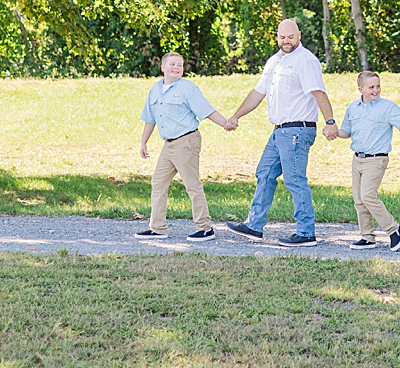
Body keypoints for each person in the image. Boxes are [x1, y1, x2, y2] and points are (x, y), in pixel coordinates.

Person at [224, 18, 338, 247]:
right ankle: (254, 226)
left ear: (299, 35)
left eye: (290, 37)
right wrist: (236, 116)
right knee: (264, 173)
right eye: (282, 37)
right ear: (277, 37)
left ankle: (306, 233)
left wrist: (331, 121)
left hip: (297, 130)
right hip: (279, 131)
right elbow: (258, 93)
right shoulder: (274, 62)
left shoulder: (305, 61)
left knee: (295, 180)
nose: (286, 41)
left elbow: (319, 93)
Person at [135, 52, 232, 242]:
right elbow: (150, 118)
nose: (177, 68)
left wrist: (225, 123)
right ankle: (158, 228)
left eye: (180, 65)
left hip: (186, 141)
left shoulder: (187, 88)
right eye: (172, 64)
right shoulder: (155, 89)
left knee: (192, 185)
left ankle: (205, 228)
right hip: (168, 145)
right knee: (158, 183)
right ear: (162, 67)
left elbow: (206, 109)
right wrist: (143, 142)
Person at [336, 70, 400, 251]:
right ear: (360, 88)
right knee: (359, 200)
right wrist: (335, 133)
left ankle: (394, 230)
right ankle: (367, 237)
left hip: (376, 159)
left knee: (368, 195)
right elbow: (346, 132)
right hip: (358, 159)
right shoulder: (352, 108)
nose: (376, 90)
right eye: (371, 87)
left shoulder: (387, 107)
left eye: (378, 86)